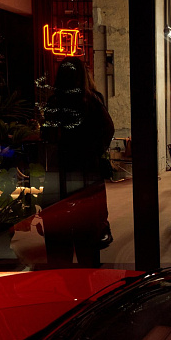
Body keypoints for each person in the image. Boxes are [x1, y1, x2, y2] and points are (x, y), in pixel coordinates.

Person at [40, 57, 115, 268]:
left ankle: (62, 284)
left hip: (59, 173)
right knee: (88, 242)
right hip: (86, 173)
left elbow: (48, 137)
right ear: (84, 76)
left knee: (58, 246)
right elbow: (108, 130)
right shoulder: (93, 101)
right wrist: (95, 151)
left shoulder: (54, 103)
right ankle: (88, 285)